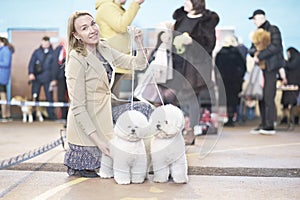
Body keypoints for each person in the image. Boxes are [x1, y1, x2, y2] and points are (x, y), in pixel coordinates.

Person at [63, 11, 151, 178]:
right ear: (76, 35)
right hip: (88, 127)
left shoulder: (104, 47)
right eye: (84, 28)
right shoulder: (76, 59)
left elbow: (138, 64)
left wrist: (138, 42)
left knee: (144, 109)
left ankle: (142, 157)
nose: (92, 30)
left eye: (93, 24)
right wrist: (100, 143)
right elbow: (78, 107)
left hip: (107, 112)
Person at [167, 0, 219, 141]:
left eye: (187, 0)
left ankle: (192, 127)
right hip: (179, 62)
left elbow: (209, 45)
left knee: (192, 96)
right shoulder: (181, 18)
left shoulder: (206, 21)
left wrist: (191, 41)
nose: (184, 3)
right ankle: (184, 125)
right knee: (181, 96)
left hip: (196, 65)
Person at [95, 0, 145, 99]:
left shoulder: (114, 8)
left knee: (114, 103)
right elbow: (121, 26)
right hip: (113, 65)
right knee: (112, 103)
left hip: (117, 64)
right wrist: (135, 3)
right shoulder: (107, 7)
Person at [248, 9, 285, 135]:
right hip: (261, 69)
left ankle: (269, 125)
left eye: (254, 19)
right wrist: (254, 53)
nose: (253, 21)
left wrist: (260, 56)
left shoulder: (273, 29)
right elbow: (251, 49)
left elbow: (276, 46)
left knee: (269, 96)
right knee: (261, 97)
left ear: (261, 17)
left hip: (270, 68)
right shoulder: (256, 33)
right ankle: (264, 123)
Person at [215, 35, 246, 127]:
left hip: (224, 80)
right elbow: (243, 67)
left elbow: (216, 68)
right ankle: (233, 117)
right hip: (236, 81)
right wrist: (240, 76)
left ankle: (229, 118)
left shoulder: (220, 53)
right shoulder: (237, 53)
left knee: (226, 99)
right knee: (235, 99)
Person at [28, 36, 56, 120]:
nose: (45, 44)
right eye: (44, 42)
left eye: (47, 43)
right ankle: (33, 115)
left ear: (49, 43)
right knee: (35, 96)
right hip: (37, 78)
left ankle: (51, 115)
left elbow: (54, 66)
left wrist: (54, 78)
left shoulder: (52, 53)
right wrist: (31, 73)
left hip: (48, 78)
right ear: (41, 42)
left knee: (49, 97)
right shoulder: (36, 52)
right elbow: (31, 63)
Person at [280, 47, 300, 125]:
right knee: (290, 102)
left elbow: (291, 66)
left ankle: (291, 118)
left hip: (293, 83)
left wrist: (282, 62)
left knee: (291, 102)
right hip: (292, 83)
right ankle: (290, 118)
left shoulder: (296, 59)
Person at [51, 38, 68, 123]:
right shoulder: (58, 50)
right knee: (61, 97)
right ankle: (63, 116)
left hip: (71, 77)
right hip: (61, 77)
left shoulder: (73, 48)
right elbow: (54, 65)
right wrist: (54, 78)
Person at [0, 36, 14, 122]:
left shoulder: (5, 50)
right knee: (3, 96)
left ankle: (5, 115)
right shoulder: (3, 50)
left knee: (3, 96)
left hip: (2, 77)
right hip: (2, 76)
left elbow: (6, 63)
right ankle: (6, 114)